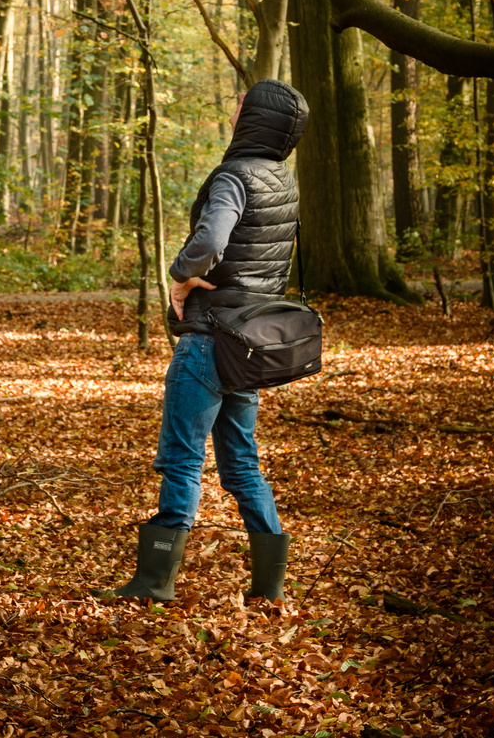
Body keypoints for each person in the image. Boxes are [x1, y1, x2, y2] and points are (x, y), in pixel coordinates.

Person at [98, 78, 308, 603]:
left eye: (242, 103)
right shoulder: (283, 180)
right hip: (250, 343)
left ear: (256, 117)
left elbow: (213, 239)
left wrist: (181, 273)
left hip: (209, 338)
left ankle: (153, 583)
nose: (234, 108)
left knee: (182, 456)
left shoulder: (234, 177)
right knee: (241, 463)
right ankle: (270, 587)